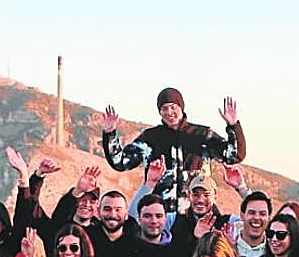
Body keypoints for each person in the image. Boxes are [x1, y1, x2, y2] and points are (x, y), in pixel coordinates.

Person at [101, 89, 246, 213]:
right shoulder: (150, 138)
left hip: (195, 216)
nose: (169, 112)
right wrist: (110, 133)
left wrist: (233, 126)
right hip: (159, 218)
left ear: (181, 107)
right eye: (164, 108)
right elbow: (120, 162)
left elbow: (234, 155)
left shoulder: (202, 135)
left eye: (173, 107)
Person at [236, 192, 272, 257]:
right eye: (252, 213)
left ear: (269, 218)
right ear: (242, 215)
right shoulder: (227, 246)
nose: (256, 217)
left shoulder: (274, 254)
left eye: (262, 214)